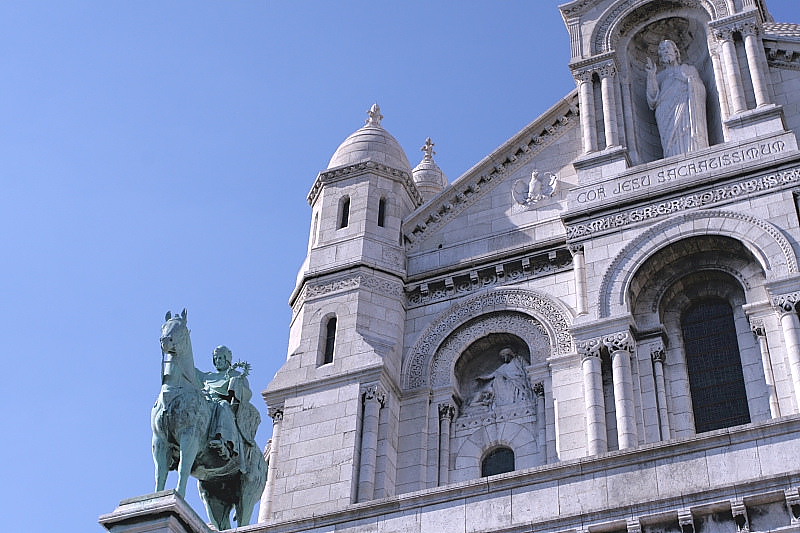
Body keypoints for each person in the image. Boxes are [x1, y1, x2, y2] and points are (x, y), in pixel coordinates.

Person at [646, 39, 709, 158]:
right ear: (660, 56)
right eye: (662, 50)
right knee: (670, 142)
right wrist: (651, 76)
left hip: (686, 107)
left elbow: (700, 90)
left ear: (676, 52)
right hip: (665, 112)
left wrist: (687, 80)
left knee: (686, 133)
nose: (665, 51)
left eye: (668, 48)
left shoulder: (688, 69)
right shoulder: (659, 76)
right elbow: (652, 99)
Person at [197, 345, 253, 460]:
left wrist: (236, 384)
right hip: (206, 401)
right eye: (215, 358)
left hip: (222, 404)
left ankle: (223, 441)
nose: (218, 361)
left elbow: (246, 395)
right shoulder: (208, 376)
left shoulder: (235, 375)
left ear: (227, 360)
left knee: (223, 405)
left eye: (220, 358)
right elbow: (191, 371)